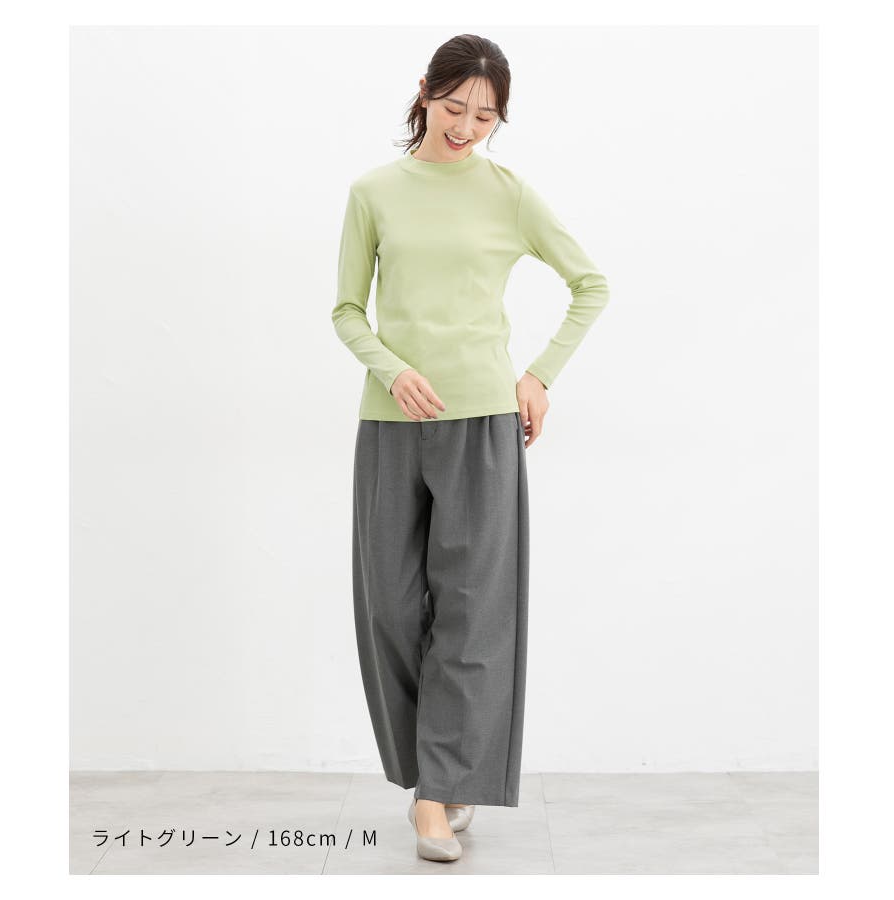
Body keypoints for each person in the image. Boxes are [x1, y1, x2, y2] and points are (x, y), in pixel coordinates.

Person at [331, 33, 610, 863]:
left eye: (486, 117)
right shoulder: (374, 191)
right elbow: (347, 310)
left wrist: (540, 375)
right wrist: (392, 370)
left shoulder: (508, 194)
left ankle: (437, 792)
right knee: (389, 606)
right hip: (391, 423)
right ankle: (438, 769)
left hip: (484, 422)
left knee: (471, 612)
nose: (466, 127)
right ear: (425, 92)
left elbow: (590, 284)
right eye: (455, 108)